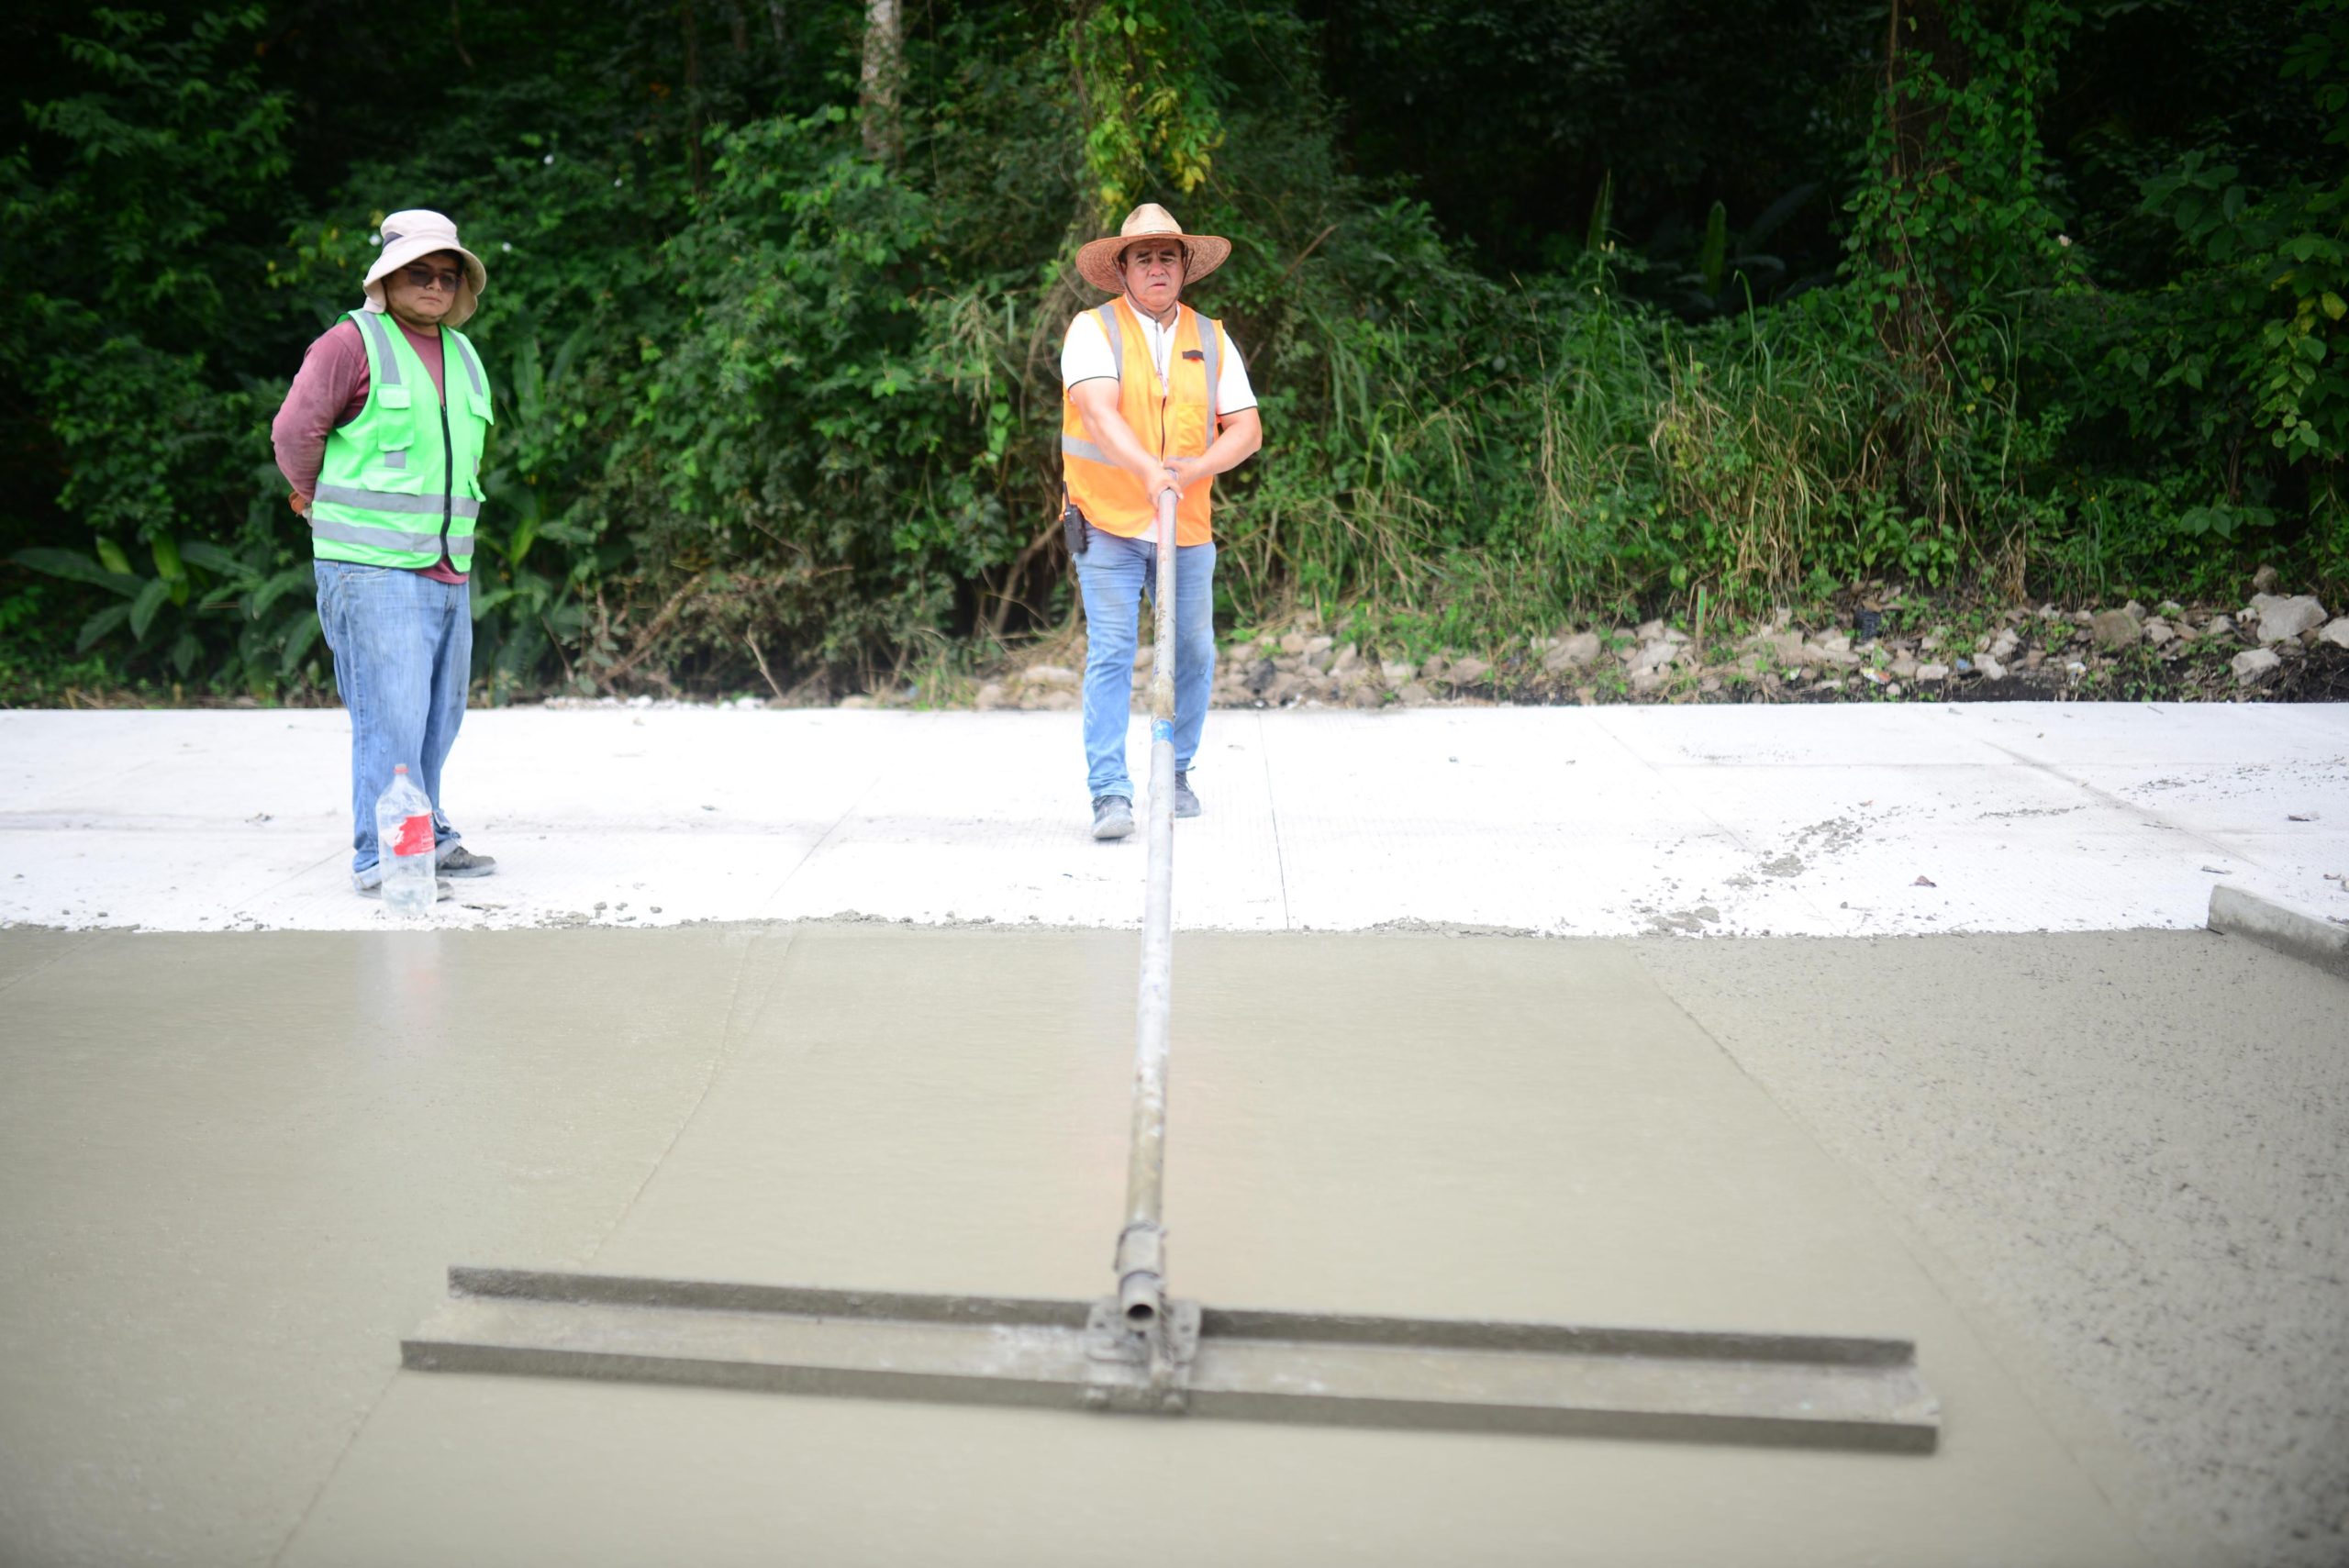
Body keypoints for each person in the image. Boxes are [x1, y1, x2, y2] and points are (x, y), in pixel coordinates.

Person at [271, 209, 498, 895]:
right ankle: (383, 856)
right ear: (387, 277)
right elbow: (294, 433)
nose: (434, 285)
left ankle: (427, 835)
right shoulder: (350, 343)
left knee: (437, 717)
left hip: (447, 565)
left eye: (447, 275)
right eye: (419, 272)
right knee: (391, 716)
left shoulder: (463, 353)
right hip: (370, 567)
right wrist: (315, 499)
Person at [1061, 203, 1264, 840]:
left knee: (1194, 651)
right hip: (1108, 523)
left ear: (1184, 267)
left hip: (1187, 527)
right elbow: (1099, 415)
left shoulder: (1211, 337)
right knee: (1113, 652)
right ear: (1122, 268)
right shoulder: (1092, 330)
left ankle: (1172, 773)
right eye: (1143, 257)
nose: (1156, 267)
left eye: (1167, 256)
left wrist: (1198, 467)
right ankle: (1110, 793)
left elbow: (1247, 429)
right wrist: (1150, 472)